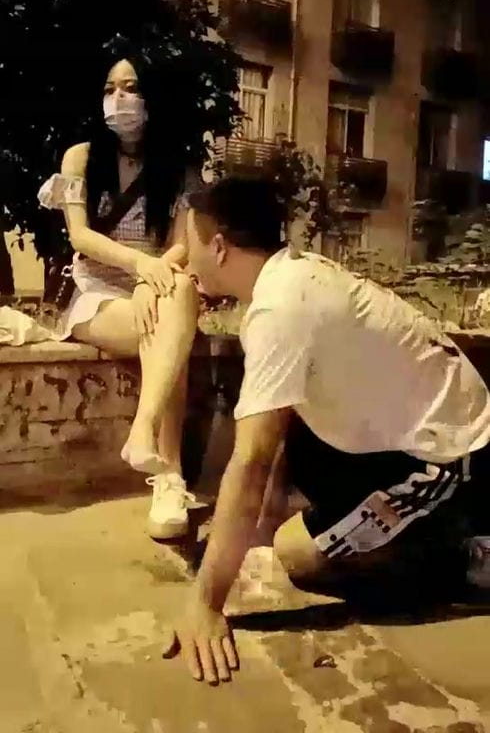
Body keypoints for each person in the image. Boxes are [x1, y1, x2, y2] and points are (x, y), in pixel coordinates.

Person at [168, 175, 490, 685]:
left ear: (220, 247)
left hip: (449, 454)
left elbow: (251, 461)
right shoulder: (291, 276)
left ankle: (463, 552)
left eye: (190, 247)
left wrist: (206, 602)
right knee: (289, 456)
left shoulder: (282, 308)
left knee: (299, 558)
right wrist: (259, 526)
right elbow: (277, 423)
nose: (185, 263)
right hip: (394, 436)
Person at [38, 53, 201, 540]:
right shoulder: (81, 157)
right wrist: (141, 267)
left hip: (156, 286)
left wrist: (153, 278)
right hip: (95, 291)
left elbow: (182, 244)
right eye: (110, 89)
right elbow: (80, 236)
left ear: (154, 97)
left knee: (179, 297)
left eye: (130, 88)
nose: (119, 99)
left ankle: (145, 437)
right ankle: (169, 473)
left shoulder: (181, 168)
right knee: (174, 332)